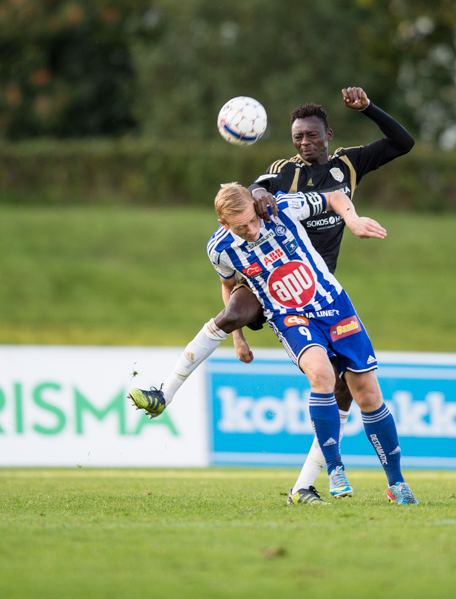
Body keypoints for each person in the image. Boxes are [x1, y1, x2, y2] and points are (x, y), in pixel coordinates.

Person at [129, 88, 414, 505]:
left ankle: (305, 484)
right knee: (234, 315)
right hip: (266, 281)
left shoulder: (348, 164)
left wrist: (368, 112)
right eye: (298, 136)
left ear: (328, 134)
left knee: (348, 390)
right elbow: (252, 193)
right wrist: (258, 193)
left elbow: (398, 148)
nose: (304, 143)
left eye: (312, 136)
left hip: (318, 283)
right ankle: (164, 392)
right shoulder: (277, 183)